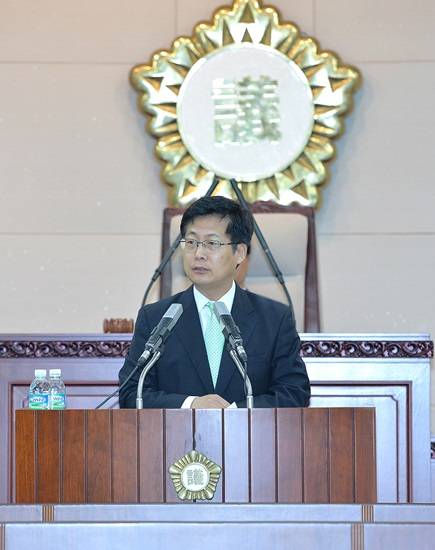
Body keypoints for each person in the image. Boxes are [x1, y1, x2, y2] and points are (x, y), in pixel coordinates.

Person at [118, 196, 310, 409]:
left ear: (239, 253)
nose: (198, 254)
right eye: (191, 243)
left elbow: (294, 392)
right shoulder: (156, 318)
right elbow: (131, 393)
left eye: (212, 243)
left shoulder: (274, 319)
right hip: (175, 431)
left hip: (250, 431)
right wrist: (191, 404)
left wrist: (233, 412)